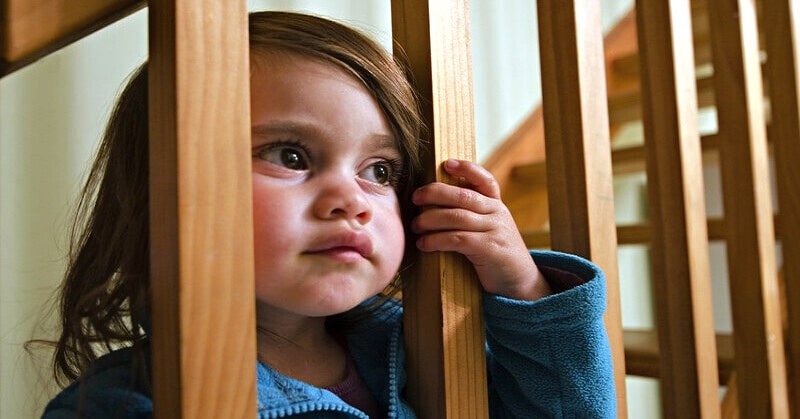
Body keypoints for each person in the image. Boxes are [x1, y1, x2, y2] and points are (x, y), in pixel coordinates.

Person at [41, 10, 615, 418]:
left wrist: (524, 285)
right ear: (160, 187)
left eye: (381, 171)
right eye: (291, 156)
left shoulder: (422, 344)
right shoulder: (131, 403)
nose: (352, 199)